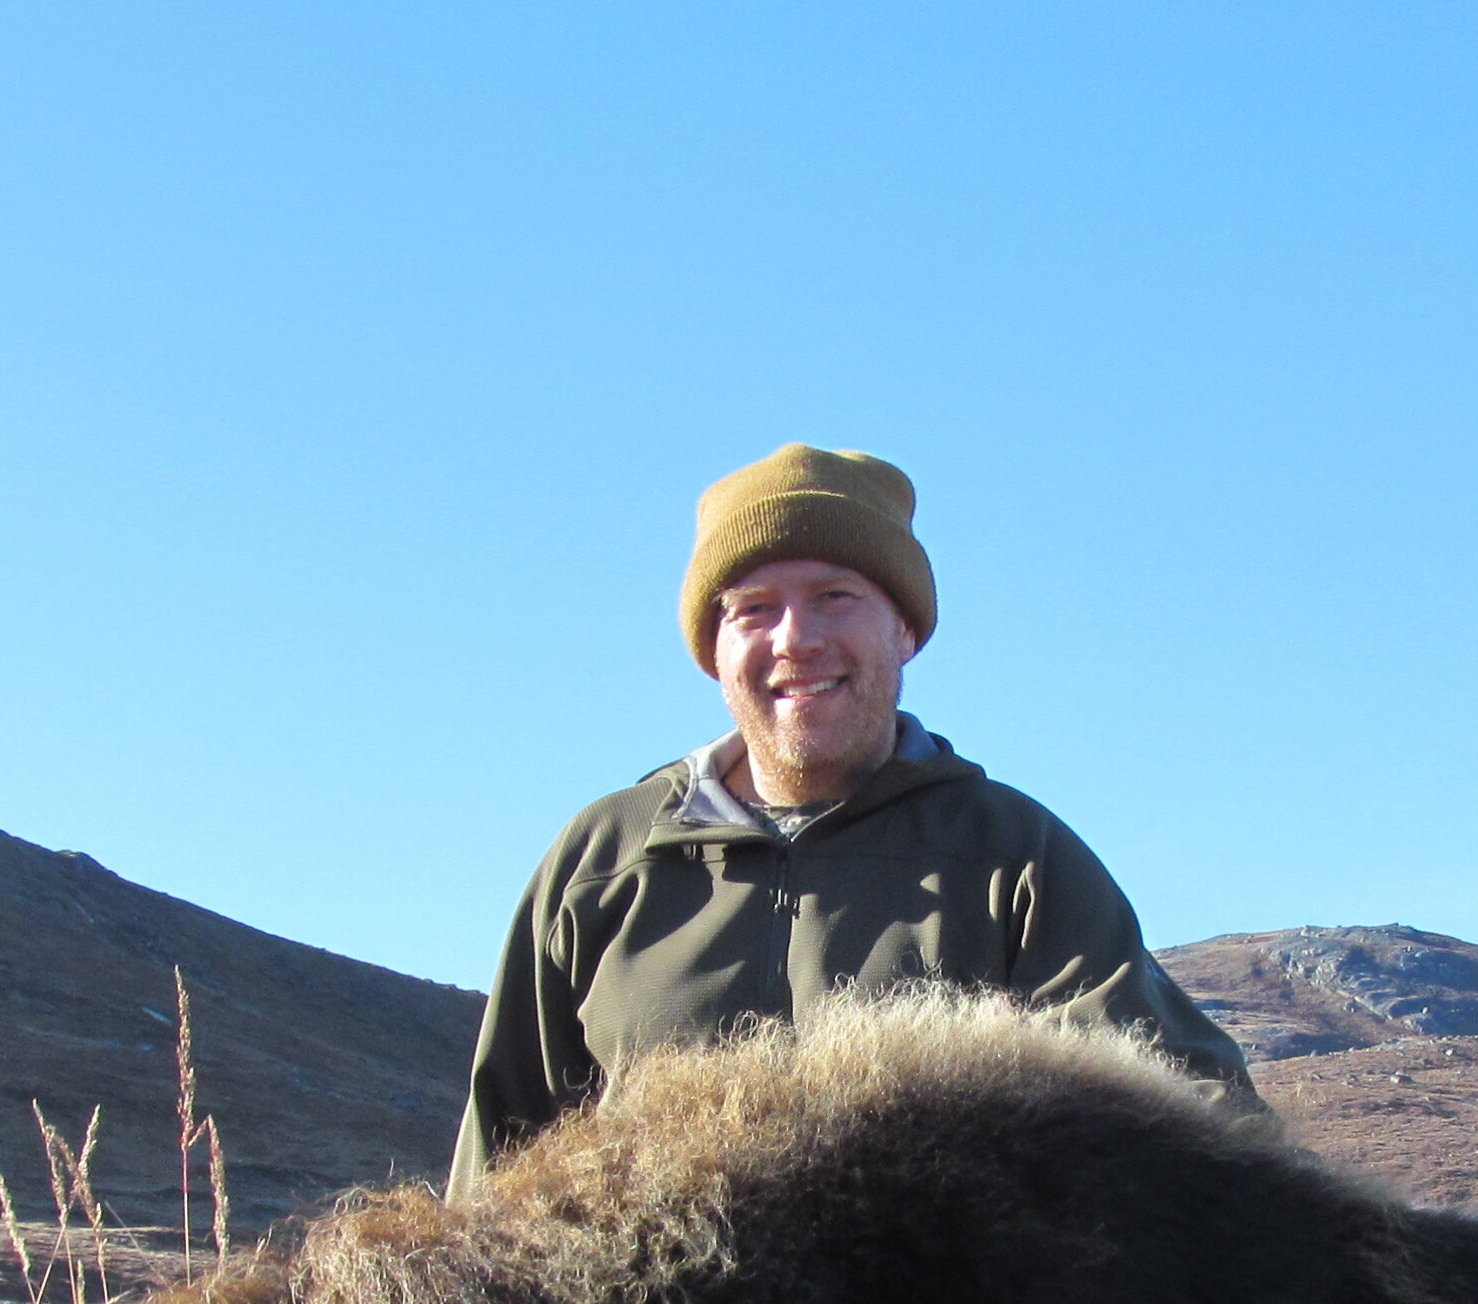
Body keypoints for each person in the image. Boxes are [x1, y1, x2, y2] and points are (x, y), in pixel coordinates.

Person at [449, 444, 1254, 1190]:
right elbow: (501, 1163)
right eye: (753, 609)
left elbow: (1195, 1118)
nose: (795, 640)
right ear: (712, 652)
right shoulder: (608, 858)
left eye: (835, 598)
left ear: (904, 630)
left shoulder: (1013, 857)